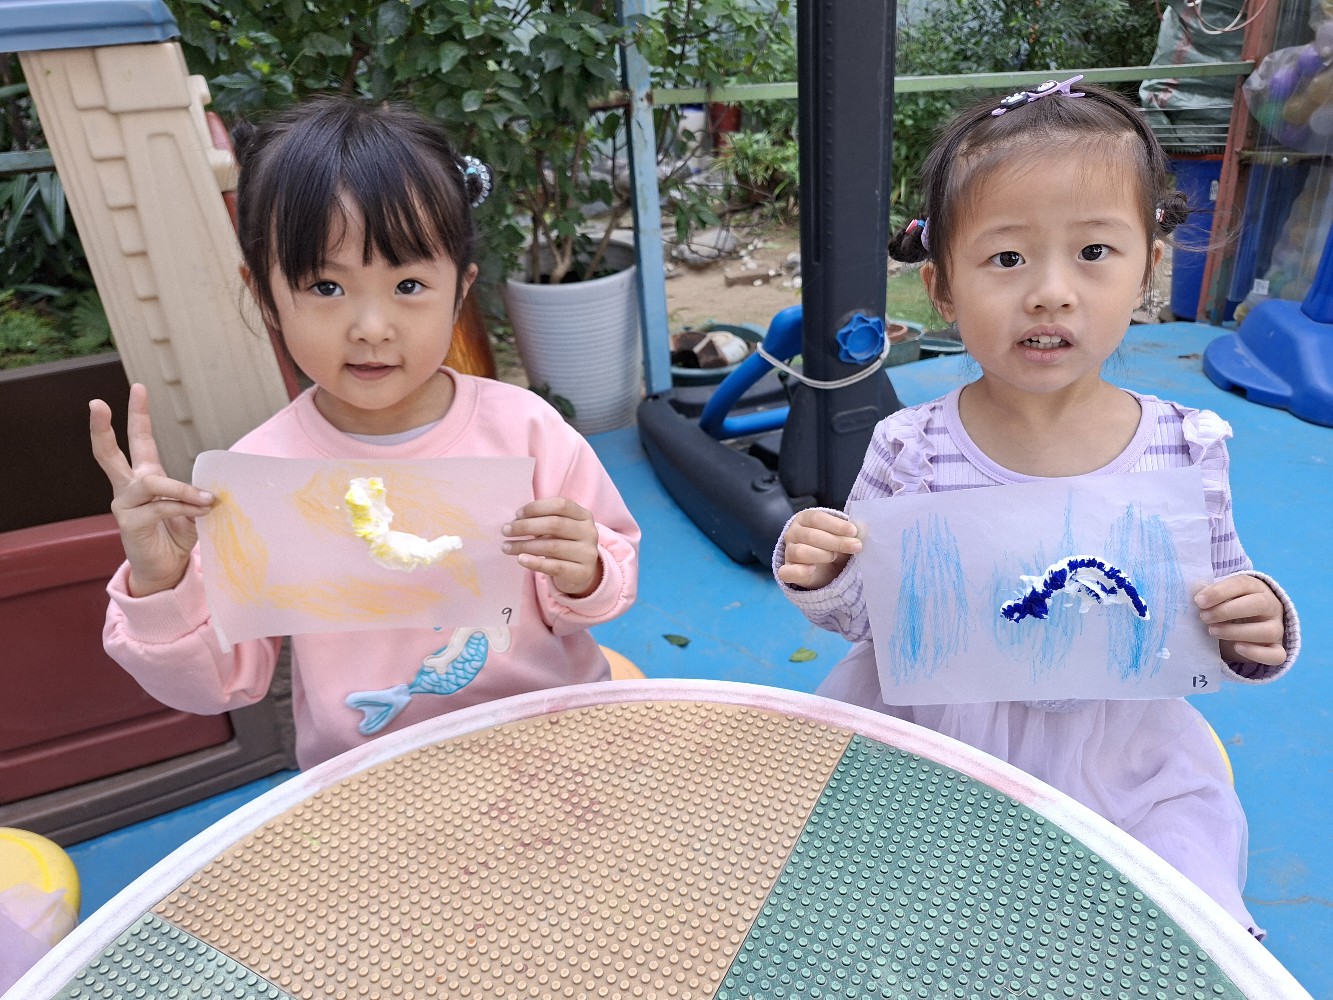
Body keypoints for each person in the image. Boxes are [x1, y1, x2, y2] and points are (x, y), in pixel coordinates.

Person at [775, 77, 1299, 938]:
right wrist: (825, 573)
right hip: (934, 742)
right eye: (1007, 259)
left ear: (1147, 270)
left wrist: (1255, 625)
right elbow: (868, 621)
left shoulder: (1186, 444)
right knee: (890, 917)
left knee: (1177, 897)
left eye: (1092, 251)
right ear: (943, 289)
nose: (1050, 292)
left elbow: (1214, 608)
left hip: (1120, 754)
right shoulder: (910, 445)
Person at [89, 96, 640, 770]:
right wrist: (161, 581)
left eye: (408, 285)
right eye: (326, 287)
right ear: (264, 296)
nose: (371, 328)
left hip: (553, 747)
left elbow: (603, 590)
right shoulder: (259, 476)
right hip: (366, 779)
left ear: (460, 290)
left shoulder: (528, 432)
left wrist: (585, 571)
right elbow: (218, 684)